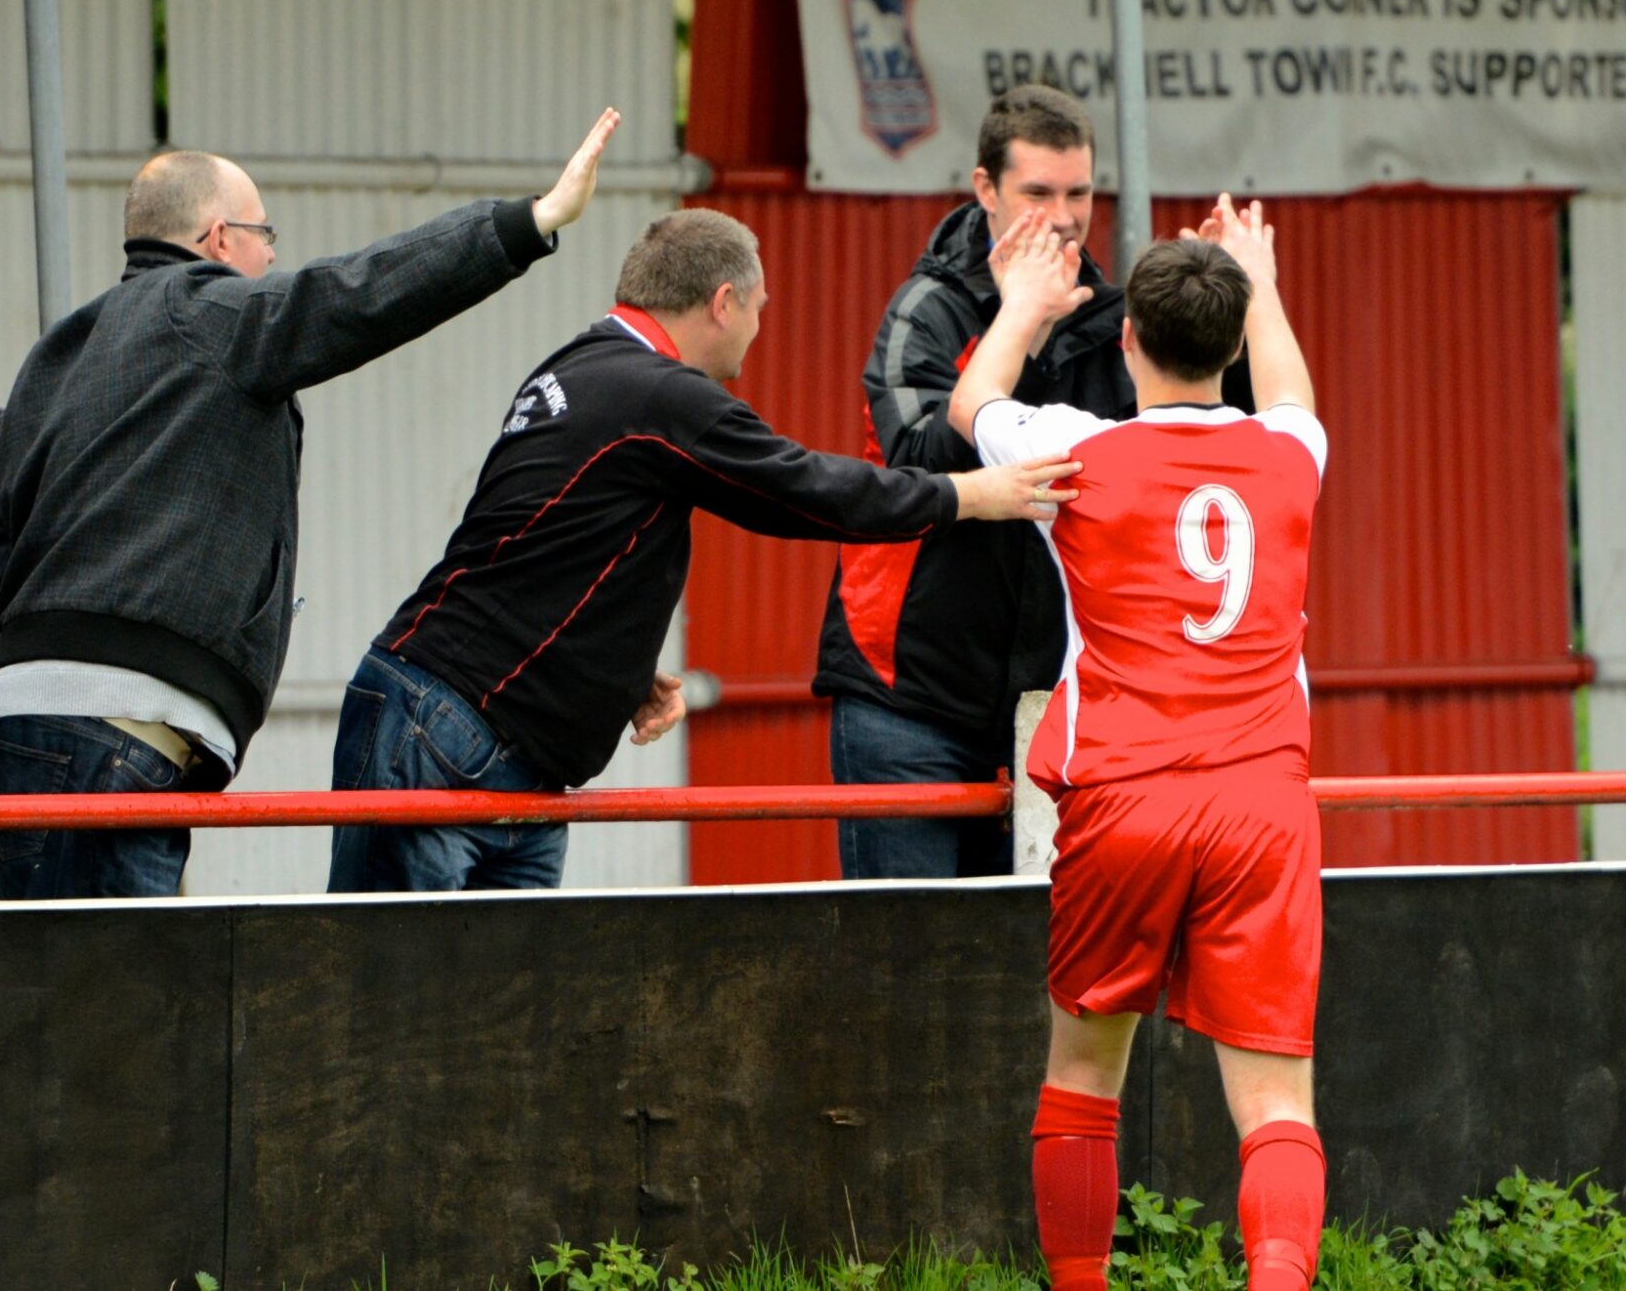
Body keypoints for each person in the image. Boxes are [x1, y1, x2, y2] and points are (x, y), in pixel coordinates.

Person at [0, 110, 623, 901]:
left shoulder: (61, 348)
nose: (272, 256)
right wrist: (529, 222)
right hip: (120, 721)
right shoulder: (212, 310)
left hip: (12, 713)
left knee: (53, 964)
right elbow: (353, 294)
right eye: (264, 234)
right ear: (218, 237)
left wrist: (55, 631)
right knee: (110, 979)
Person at [325, 208, 1085, 894]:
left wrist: (611, 674)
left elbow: (552, 542)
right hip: (449, 728)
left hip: (476, 732)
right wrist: (969, 493)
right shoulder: (660, 393)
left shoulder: (579, 366)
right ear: (723, 302)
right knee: (387, 987)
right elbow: (806, 488)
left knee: (496, 1000)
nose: (758, 328)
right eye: (758, 308)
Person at [949, 198, 1327, 1291]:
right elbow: (1291, 392)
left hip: (1123, 795)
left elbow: (971, 401)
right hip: (1261, 802)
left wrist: (1023, 304)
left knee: (1081, 1077)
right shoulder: (1291, 452)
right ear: (1235, 336)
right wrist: (1257, 278)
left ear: (1125, 340)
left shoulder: (1075, 450)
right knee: (1275, 1102)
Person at [811, 85, 1249, 880]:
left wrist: (1231, 306)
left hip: (1053, 705)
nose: (1064, 216)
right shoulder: (927, 309)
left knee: (1025, 950)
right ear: (986, 189)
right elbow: (918, 458)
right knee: (904, 951)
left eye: (1080, 193)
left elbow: (1203, 438)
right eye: (1038, 192)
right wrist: (1023, 321)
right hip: (907, 699)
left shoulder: (1115, 318)